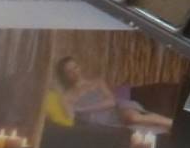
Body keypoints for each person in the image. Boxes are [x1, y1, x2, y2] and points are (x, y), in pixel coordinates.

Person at [42, 56, 175, 132]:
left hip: (119, 107)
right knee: (139, 127)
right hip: (104, 119)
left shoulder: (97, 82)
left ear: (79, 67)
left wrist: (83, 109)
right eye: (69, 71)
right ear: (65, 76)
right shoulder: (66, 96)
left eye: (75, 67)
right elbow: (70, 117)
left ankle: (174, 124)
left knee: (132, 118)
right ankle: (171, 128)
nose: (74, 72)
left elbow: (111, 102)